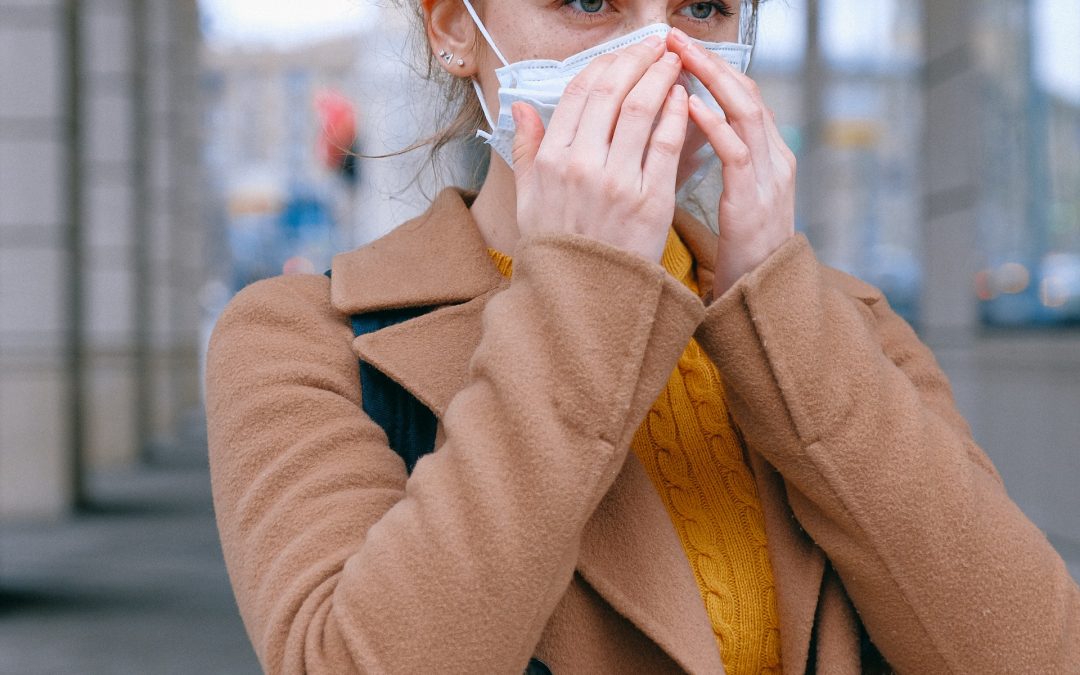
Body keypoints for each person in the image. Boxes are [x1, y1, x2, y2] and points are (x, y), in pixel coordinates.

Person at [203, 0, 1080, 672]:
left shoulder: (844, 325)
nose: (660, 58)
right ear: (452, 27)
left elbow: (1037, 651)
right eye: (588, 1)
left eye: (704, 8)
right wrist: (587, 288)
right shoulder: (302, 341)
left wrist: (770, 300)